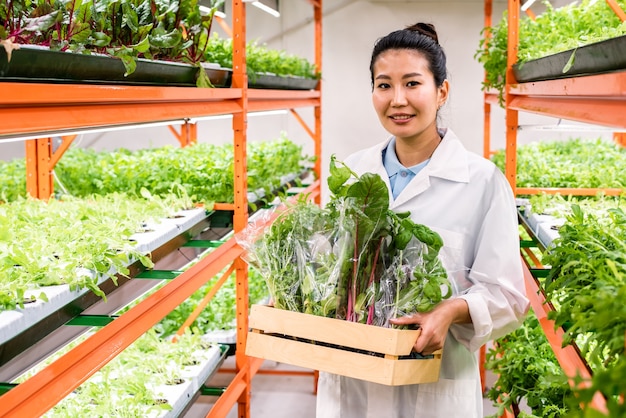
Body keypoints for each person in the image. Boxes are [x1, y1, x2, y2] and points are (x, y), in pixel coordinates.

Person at [315, 23, 530, 418]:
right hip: (351, 384)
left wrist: (450, 310)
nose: (398, 100)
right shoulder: (351, 173)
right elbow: (326, 267)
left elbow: (507, 297)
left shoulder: (483, 182)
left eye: (413, 83)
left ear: (441, 91)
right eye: (384, 85)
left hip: (433, 389)